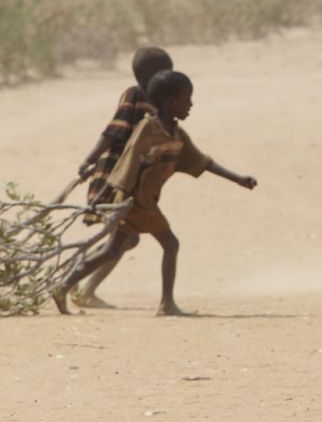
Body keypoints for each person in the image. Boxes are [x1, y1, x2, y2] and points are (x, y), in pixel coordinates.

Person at [51, 71, 257, 316]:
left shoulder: (177, 135)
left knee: (112, 250)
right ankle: (166, 304)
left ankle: (62, 286)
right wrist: (106, 193)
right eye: (187, 99)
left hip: (140, 201)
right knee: (171, 244)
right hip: (136, 201)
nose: (191, 104)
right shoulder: (148, 128)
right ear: (171, 102)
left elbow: (202, 162)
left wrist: (237, 179)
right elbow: (127, 160)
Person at [70, 47, 173, 308]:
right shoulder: (136, 95)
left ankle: (82, 288)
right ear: (151, 75)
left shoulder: (158, 106)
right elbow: (115, 131)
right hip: (116, 175)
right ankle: (72, 283)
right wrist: (90, 159)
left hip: (133, 181)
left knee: (127, 238)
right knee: (124, 238)